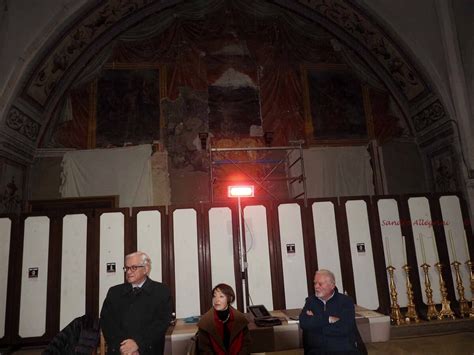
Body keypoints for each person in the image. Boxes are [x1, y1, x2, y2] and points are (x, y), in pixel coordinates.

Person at [100, 251, 172, 355]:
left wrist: (138, 344)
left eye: (133, 267)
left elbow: (161, 324)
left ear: (146, 269)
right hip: (120, 351)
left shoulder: (162, 292)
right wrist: (124, 348)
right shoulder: (114, 292)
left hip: (149, 351)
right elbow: (107, 322)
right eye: (127, 268)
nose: (128, 272)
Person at [299, 269, 360, 355]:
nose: (316, 286)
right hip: (316, 351)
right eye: (315, 283)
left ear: (332, 286)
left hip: (342, 350)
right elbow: (303, 323)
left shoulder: (345, 301)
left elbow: (345, 328)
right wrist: (328, 319)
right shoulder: (311, 301)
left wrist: (315, 324)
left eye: (320, 284)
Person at [197, 283, 251, 354]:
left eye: (221, 296)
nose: (216, 300)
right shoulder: (205, 322)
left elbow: (246, 345)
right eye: (214, 296)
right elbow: (204, 349)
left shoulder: (240, 319)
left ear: (230, 299)